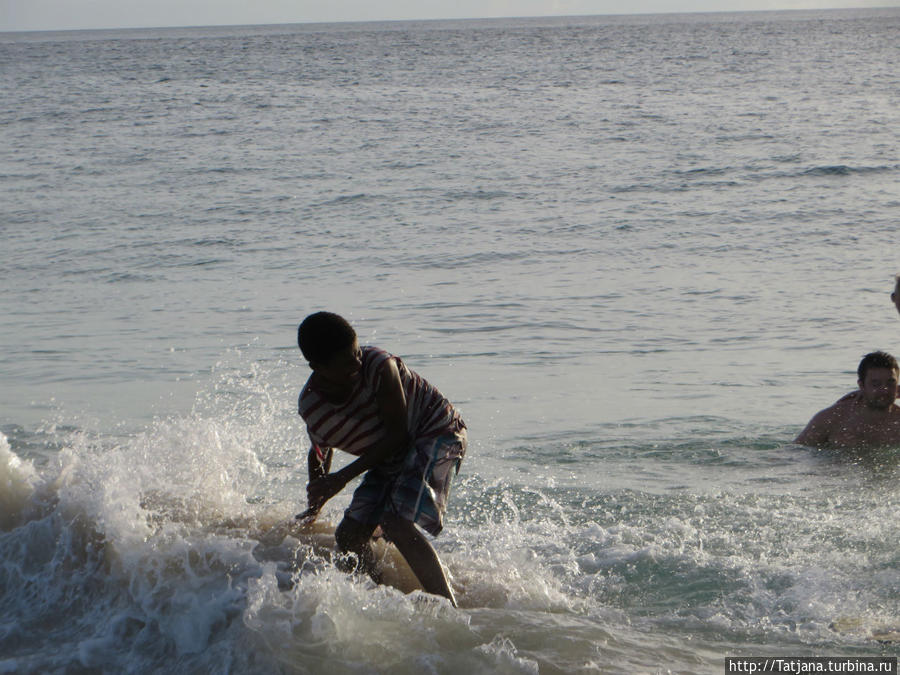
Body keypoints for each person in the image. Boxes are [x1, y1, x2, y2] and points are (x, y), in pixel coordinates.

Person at [295, 311, 467, 605]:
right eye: (347, 361)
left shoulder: (378, 366)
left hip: (435, 430)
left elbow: (398, 434)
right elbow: (321, 450)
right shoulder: (314, 407)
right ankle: (380, 601)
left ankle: (450, 611)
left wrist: (340, 479)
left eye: (357, 352)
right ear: (318, 368)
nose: (357, 363)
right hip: (389, 455)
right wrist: (315, 503)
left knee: (395, 521)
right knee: (349, 536)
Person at [795, 351, 900, 450]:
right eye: (875, 384)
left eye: (890, 383)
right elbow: (795, 451)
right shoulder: (832, 419)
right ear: (861, 385)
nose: (884, 390)